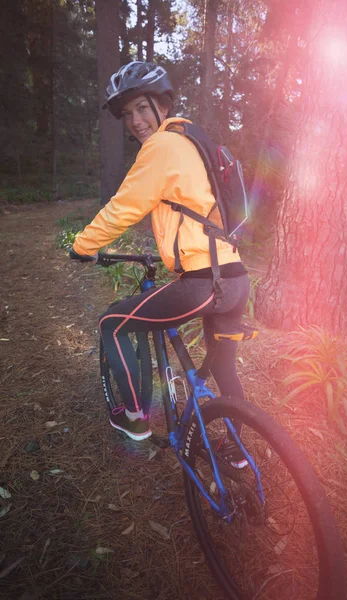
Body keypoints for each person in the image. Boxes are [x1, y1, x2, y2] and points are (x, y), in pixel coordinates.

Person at [70, 61, 250, 442]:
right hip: (235, 278)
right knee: (223, 369)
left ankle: (135, 417)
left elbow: (123, 208)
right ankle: (237, 449)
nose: (135, 120)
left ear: (163, 105)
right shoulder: (190, 140)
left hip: (204, 282)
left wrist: (81, 246)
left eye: (142, 107)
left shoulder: (162, 145)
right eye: (127, 113)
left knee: (110, 323)